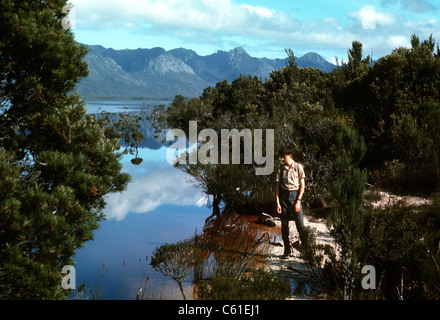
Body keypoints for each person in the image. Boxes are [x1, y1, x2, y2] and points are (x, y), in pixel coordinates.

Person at [275, 146, 306, 258]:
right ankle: (287, 251)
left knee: (300, 225)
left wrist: (298, 201)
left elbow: (302, 186)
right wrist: (278, 203)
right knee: (284, 226)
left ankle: (306, 251)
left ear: (290, 156)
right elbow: (277, 187)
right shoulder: (280, 169)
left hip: (295, 197)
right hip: (283, 198)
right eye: (281, 157)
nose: (282, 159)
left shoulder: (298, 167)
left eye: (284, 157)